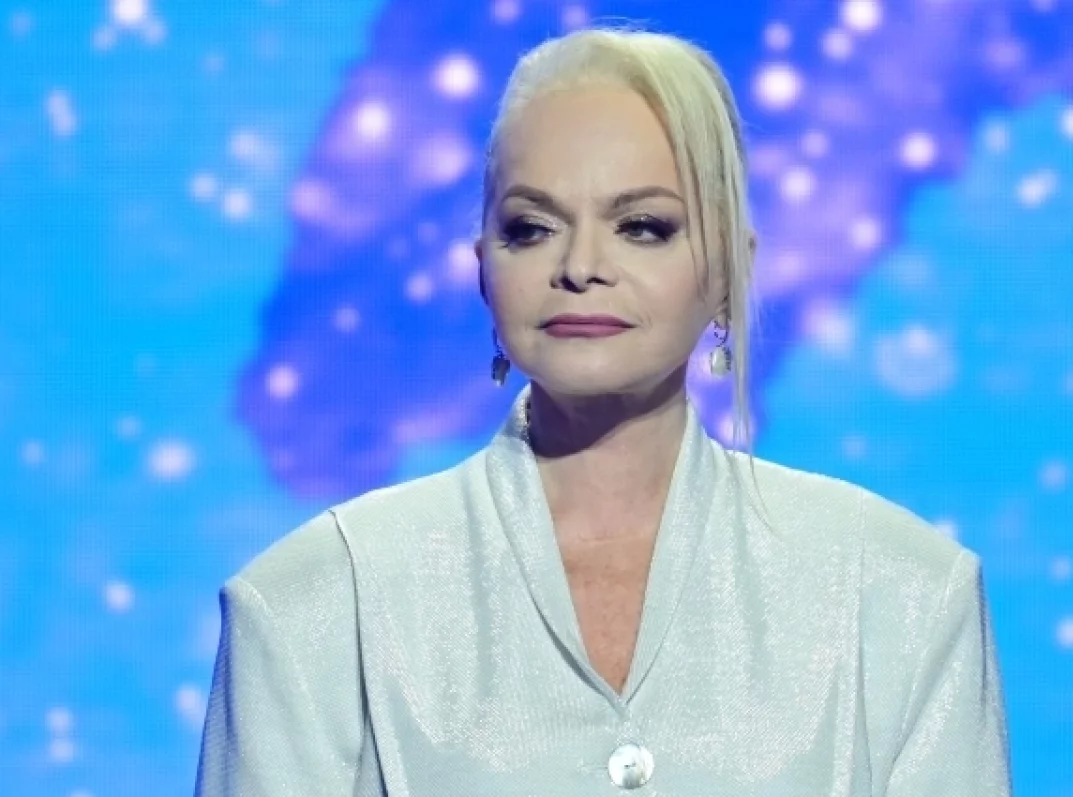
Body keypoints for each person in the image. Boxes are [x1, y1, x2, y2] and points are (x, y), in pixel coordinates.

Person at [194, 26, 1012, 796]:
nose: (581, 265)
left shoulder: (901, 594)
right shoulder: (316, 604)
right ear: (483, 268)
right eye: (531, 227)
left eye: (642, 226)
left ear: (729, 268)